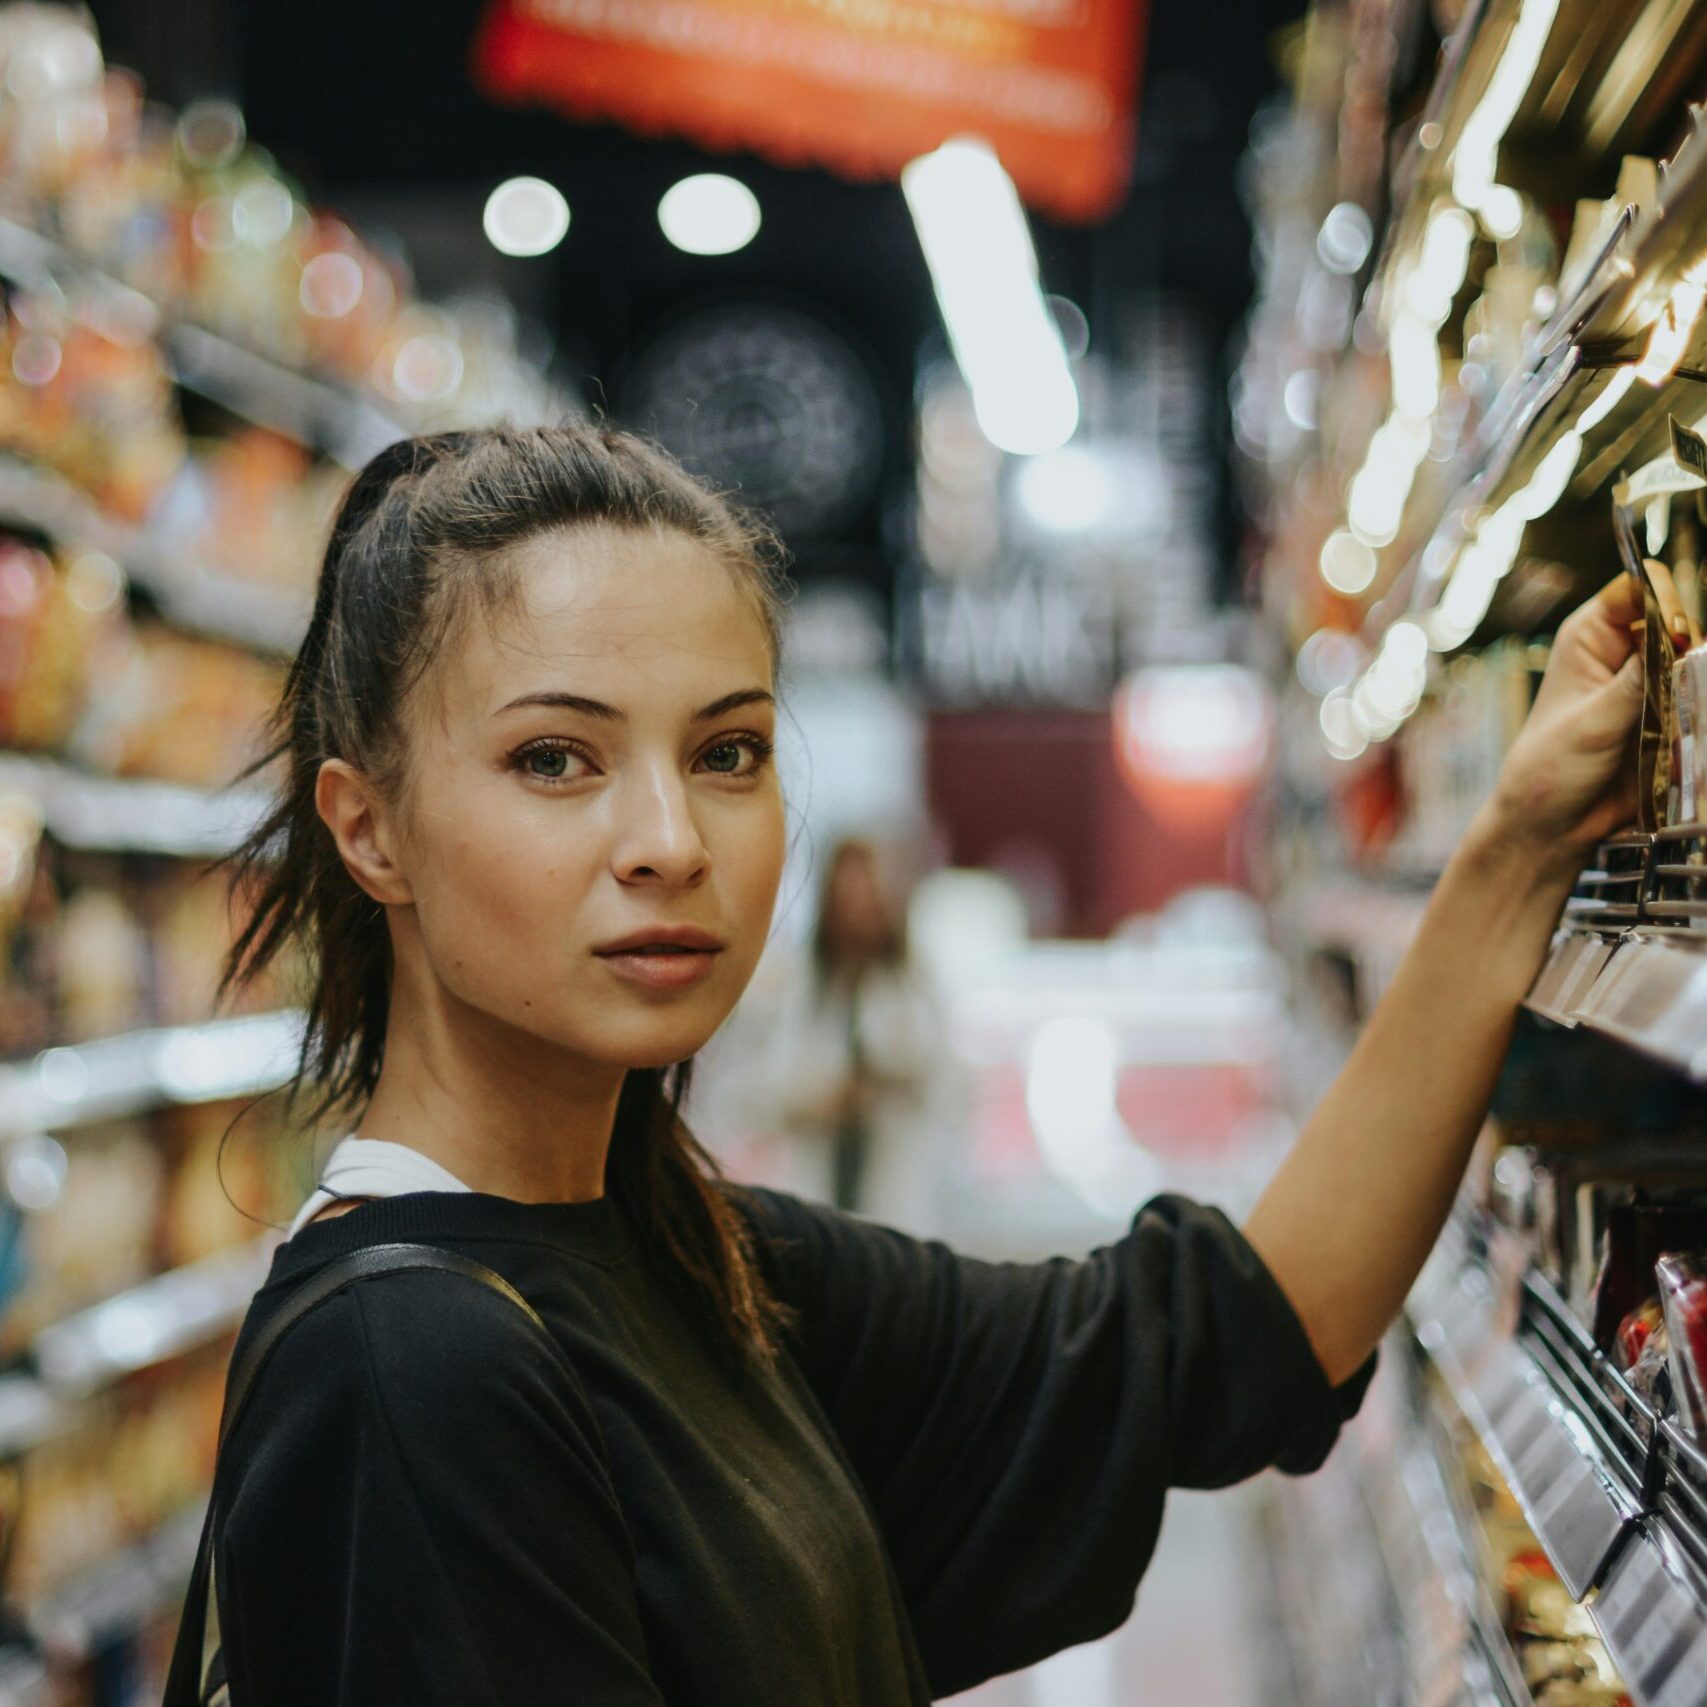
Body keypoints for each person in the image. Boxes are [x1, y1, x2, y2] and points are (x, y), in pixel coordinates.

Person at [166, 423, 1655, 1705]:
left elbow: (1222, 1341)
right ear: (367, 827)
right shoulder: (413, 1365)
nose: (671, 841)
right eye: (555, 758)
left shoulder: (686, 1254)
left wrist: (1517, 845)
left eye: (727, 752)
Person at [693, 835, 955, 1231]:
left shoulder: (914, 985)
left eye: (867, 897)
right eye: (847, 897)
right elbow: (744, 1092)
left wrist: (890, 1079)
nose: (858, 911)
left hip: (897, 1189)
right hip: (813, 1186)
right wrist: (817, 1097)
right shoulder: (796, 988)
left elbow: (950, 1085)